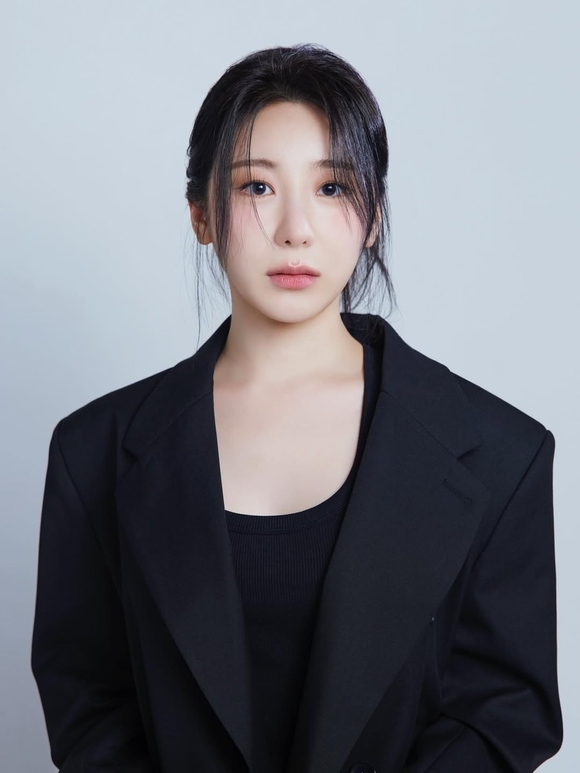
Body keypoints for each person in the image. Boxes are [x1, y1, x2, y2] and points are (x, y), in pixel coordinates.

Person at [31, 43, 562, 773]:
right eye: (256, 186)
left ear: (373, 216)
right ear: (200, 213)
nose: (294, 228)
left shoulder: (504, 454)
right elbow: (89, 706)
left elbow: (504, 710)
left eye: (332, 187)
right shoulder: (92, 453)